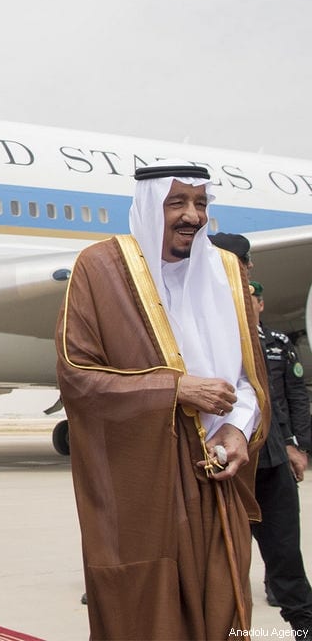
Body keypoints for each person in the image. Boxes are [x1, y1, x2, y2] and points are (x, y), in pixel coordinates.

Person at [56, 160, 268, 639]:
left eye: (200, 203)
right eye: (177, 203)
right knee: (146, 616)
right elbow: (77, 377)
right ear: (152, 208)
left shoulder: (227, 273)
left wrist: (237, 429)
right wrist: (175, 388)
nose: (192, 215)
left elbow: (248, 379)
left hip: (217, 481)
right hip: (139, 488)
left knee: (225, 612)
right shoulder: (101, 268)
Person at [248, 279, 312, 636]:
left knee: (285, 548)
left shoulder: (277, 344)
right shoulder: (217, 341)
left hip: (274, 453)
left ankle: (303, 623)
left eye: (253, 296)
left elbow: (293, 397)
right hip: (231, 461)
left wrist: (297, 446)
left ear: (260, 303)